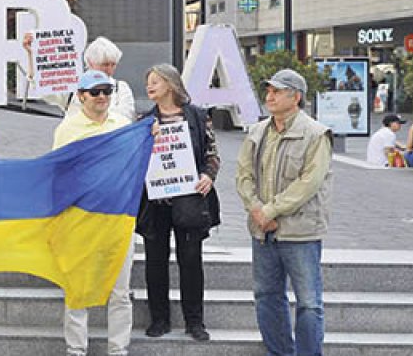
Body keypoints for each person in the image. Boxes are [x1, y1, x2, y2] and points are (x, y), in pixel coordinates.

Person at [235, 69, 333, 356]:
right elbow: (243, 175)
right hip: (262, 231)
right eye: (269, 91)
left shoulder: (315, 134)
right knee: (266, 295)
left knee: (309, 303)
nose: (270, 97)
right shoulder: (257, 132)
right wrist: (256, 209)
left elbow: (309, 183)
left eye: (277, 91)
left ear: (296, 97)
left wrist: (270, 210)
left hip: (300, 232)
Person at [138, 64, 221, 341]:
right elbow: (137, 158)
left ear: (171, 85)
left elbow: (212, 154)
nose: (149, 86)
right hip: (156, 202)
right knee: (155, 262)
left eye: (155, 81)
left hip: (190, 200)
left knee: (191, 260)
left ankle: (194, 321)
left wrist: (208, 176)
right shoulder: (144, 120)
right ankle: (159, 319)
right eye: (148, 82)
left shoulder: (198, 116)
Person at [54, 69, 134, 356]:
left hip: (117, 217)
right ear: (81, 96)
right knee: (77, 287)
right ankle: (76, 349)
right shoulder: (67, 129)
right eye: (95, 92)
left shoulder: (123, 125)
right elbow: (58, 172)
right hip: (81, 218)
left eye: (107, 91)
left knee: (121, 290)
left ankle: (119, 349)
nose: (102, 97)